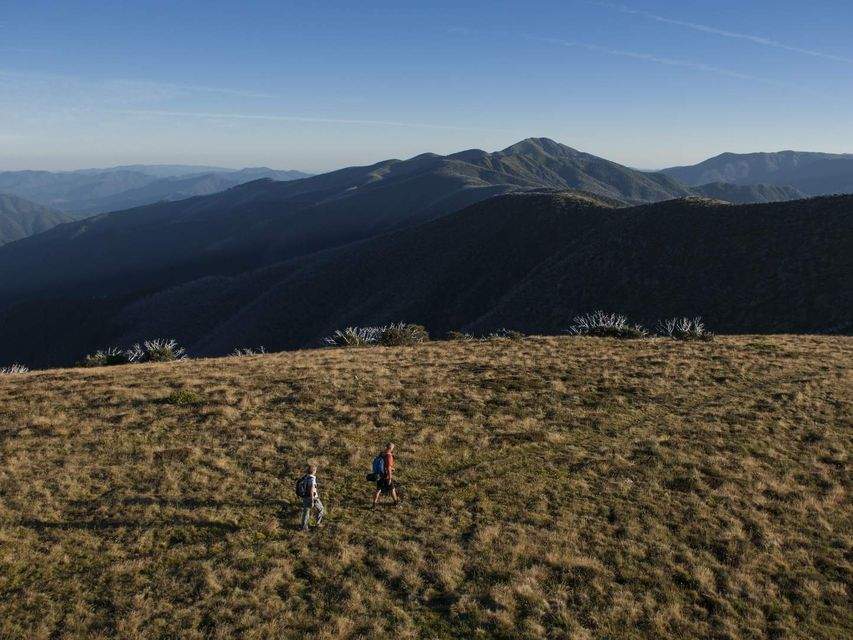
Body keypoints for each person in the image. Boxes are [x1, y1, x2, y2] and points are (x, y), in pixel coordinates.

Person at [298, 464, 325, 531]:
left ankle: (304, 527)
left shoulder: (305, 477)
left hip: (305, 497)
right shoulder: (312, 479)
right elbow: (311, 489)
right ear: (314, 471)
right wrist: (312, 499)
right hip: (312, 498)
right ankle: (318, 524)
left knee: (306, 512)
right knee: (321, 509)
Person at [372, 442, 399, 508]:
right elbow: (388, 468)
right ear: (390, 448)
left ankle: (374, 504)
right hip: (386, 476)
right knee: (392, 489)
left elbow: (383, 464)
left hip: (379, 474)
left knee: (378, 489)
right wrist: (389, 477)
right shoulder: (389, 456)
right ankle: (396, 502)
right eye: (393, 448)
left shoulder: (382, 454)